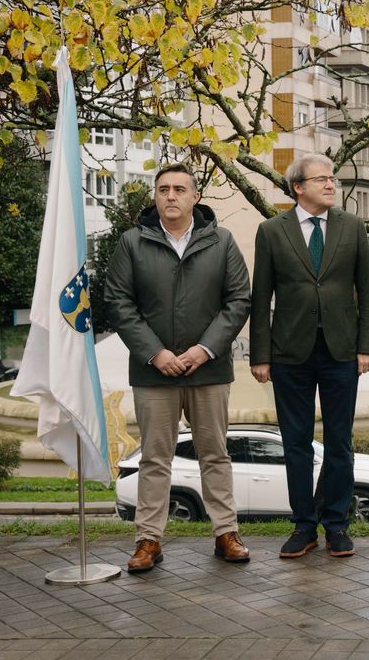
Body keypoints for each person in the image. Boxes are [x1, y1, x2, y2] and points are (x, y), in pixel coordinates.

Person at [104, 163, 252, 572]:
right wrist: (156, 352)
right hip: (155, 373)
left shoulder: (221, 242)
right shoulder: (132, 243)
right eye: (163, 189)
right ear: (155, 196)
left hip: (209, 370)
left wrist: (205, 349)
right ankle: (148, 540)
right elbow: (118, 302)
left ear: (195, 197)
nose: (171, 196)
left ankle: (226, 533)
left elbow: (239, 300)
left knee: (215, 455)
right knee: (155, 458)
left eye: (179, 189)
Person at [250, 153, 369, 559]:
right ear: (298, 188)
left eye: (332, 178)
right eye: (321, 179)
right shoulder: (271, 231)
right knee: (296, 445)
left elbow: (367, 291)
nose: (330, 184)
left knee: (340, 442)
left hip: (342, 351)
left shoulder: (353, 227)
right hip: (290, 352)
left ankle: (337, 525)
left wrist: (366, 346)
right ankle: (304, 525)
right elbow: (260, 297)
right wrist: (261, 355)